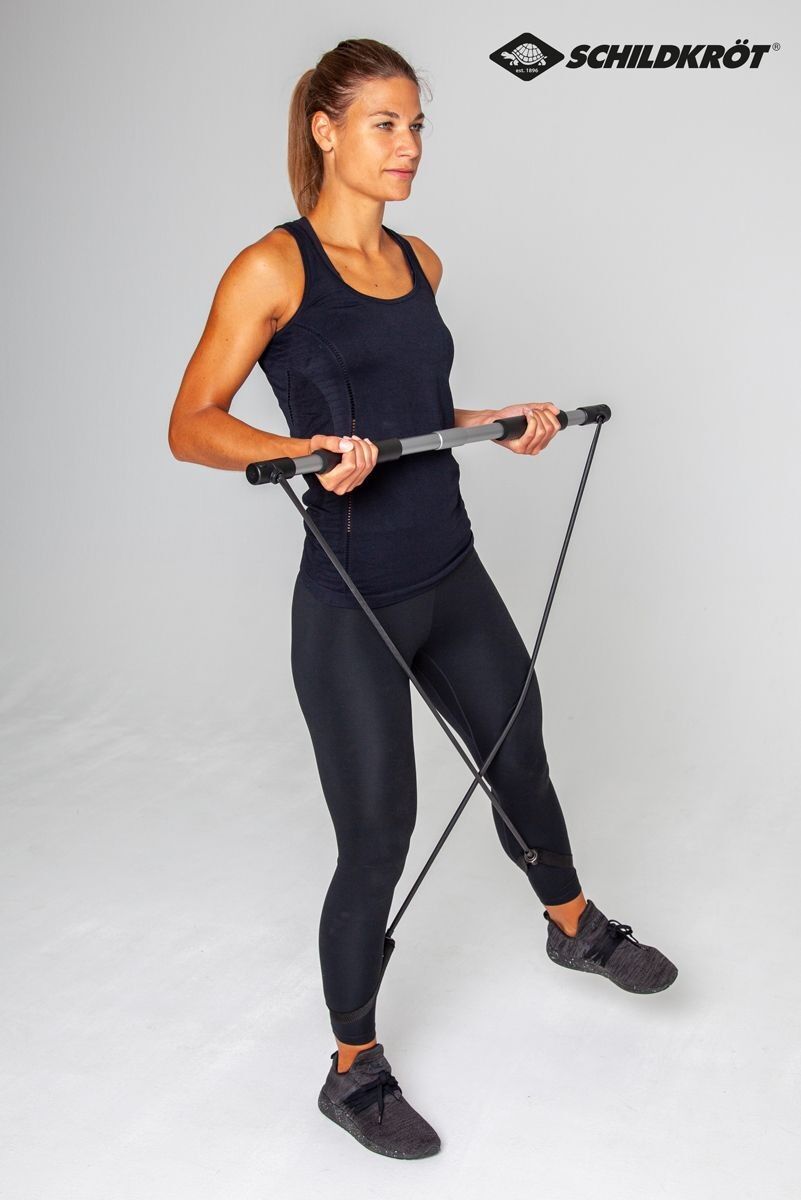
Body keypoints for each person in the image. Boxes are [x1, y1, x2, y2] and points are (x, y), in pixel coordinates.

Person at [168, 37, 677, 1161]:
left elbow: (419, 412)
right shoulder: (272, 268)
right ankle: (351, 1070)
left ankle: (571, 925)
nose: (407, 147)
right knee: (377, 837)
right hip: (352, 601)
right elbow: (191, 421)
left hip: (450, 568)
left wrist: (508, 421)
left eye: (416, 126)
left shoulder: (420, 261)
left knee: (521, 755)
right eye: (385, 124)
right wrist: (298, 452)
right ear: (326, 131)